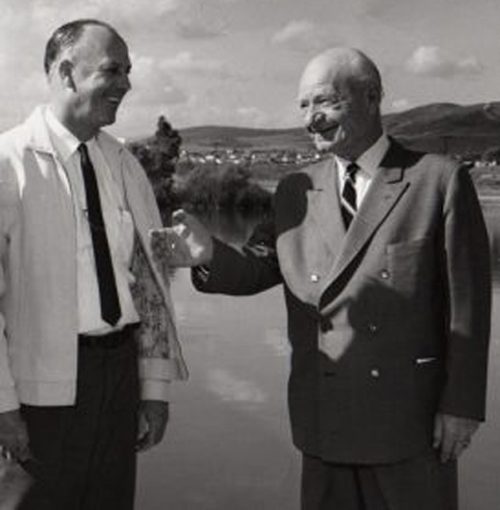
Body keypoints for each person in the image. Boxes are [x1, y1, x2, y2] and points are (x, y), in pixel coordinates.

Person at [151, 48, 491, 509]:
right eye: (303, 106)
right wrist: (208, 254)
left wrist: (461, 406)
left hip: (410, 425)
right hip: (323, 419)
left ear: (371, 97)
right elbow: (261, 263)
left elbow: (468, 309)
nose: (311, 119)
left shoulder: (438, 181)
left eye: (324, 102)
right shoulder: (296, 190)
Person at [0, 19, 187, 509]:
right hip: (37, 394)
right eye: (113, 70)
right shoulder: (7, 162)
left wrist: (154, 388)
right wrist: (2, 406)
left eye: (128, 70)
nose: (126, 83)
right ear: (67, 73)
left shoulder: (123, 163)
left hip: (120, 378)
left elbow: (148, 283)